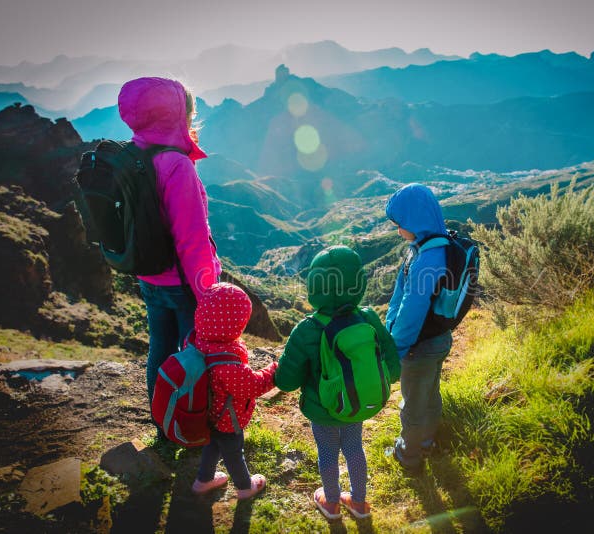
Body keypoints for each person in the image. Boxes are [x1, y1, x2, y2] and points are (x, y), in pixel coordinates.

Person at [117, 77, 221, 413]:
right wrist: (208, 292)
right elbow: (192, 240)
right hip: (183, 284)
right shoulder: (176, 164)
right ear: (179, 117)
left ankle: (162, 418)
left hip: (148, 276)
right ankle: (194, 424)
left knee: (159, 349)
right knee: (195, 353)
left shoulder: (131, 156)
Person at [275, 246, 400, 520]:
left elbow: (286, 381)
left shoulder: (307, 329)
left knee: (328, 453)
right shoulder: (367, 318)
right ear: (359, 282)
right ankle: (359, 502)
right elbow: (392, 363)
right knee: (355, 448)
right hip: (357, 403)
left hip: (324, 409)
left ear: (314, 286)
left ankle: (330, 502)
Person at [385, 183, 452, 470]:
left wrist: (396, 349)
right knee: (429, 393)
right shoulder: (437, 245)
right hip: (438, 339)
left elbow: (412, 310)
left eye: (400, 224)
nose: (398, 230)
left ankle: (409, 454)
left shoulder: (427, 258)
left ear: (415, 221)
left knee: (412, 402)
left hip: (419, 346)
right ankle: (427, 442)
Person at [189, 282, 277, 498]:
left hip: (206, 414)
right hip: (228, 419)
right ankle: (246, 487)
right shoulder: (226, 362)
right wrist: (274, 370)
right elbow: (252, 386)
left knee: (211, 447)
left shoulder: (197, 341)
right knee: (234, 454)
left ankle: (203, 480)